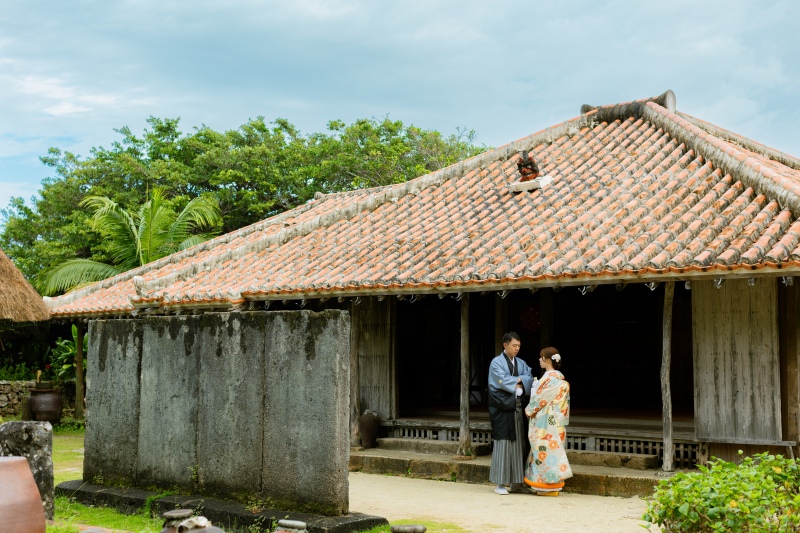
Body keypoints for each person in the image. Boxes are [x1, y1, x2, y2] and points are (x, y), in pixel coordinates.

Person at [488, 332, 534, 495]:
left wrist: (518, 382)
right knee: (503, 444)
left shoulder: (520, 362)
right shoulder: (496, 363)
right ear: (505, 345)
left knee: (520, 444)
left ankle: (517, 482)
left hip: (518, 408)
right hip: (503, 409)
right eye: (514, 345)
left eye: (519, 346)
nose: (517, 349)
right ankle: (500, 484)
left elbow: (528, 376)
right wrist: (517, 384)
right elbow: (499, 381)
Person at [524, 347, 572, 496]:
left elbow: (540, 399)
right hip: (557, 422)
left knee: (544, 452)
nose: (539, 360)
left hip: (546, 423)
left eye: (541, 357)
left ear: (548, 360)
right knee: (553, 453)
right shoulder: (559, 380)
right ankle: (552, 485)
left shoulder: (550, 380)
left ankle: (545, 486)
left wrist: (529, 410)